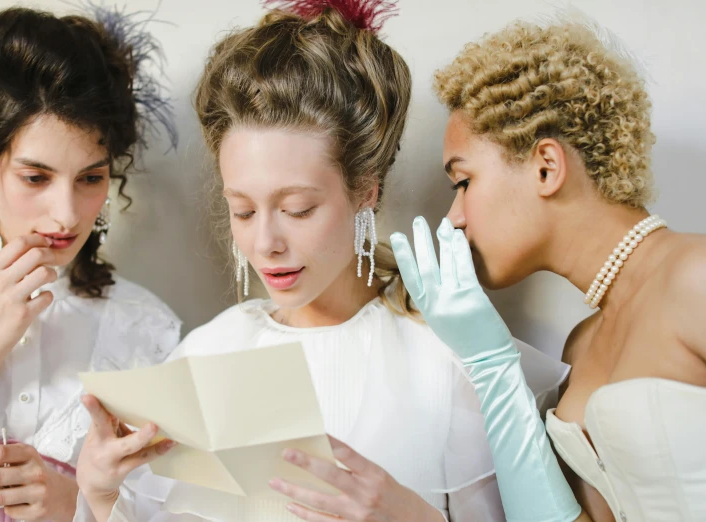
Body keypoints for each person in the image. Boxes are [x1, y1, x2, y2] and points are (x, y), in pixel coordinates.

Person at [73, 2, 570, 522]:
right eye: (241, 209)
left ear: (365, 192)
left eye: (297, 209)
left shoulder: (447, 365)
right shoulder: (204, 357)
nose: (265, 241)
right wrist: (105, 497)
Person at [392, 14, 706, 522]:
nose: (453, 220)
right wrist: (490, 363)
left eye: (463, 182)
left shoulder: (697, 277)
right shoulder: (579, 350)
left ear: (546, 166)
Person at [0, 6, 181, 521]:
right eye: (36, 178)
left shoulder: (146, 330)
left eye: (90, 179)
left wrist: (78, 506)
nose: (66, 216)